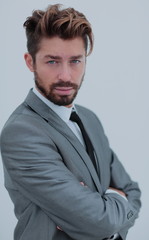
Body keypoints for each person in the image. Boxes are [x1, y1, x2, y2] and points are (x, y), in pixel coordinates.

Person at [0, 4, 141, 240]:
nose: (65, 75)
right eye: (52, 61)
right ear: (30, 62)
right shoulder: (21, 132)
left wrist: (105, 210)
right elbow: (101, 221)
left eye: (75, 61)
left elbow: (132, 191)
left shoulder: (89, 119)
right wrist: (113, 202)